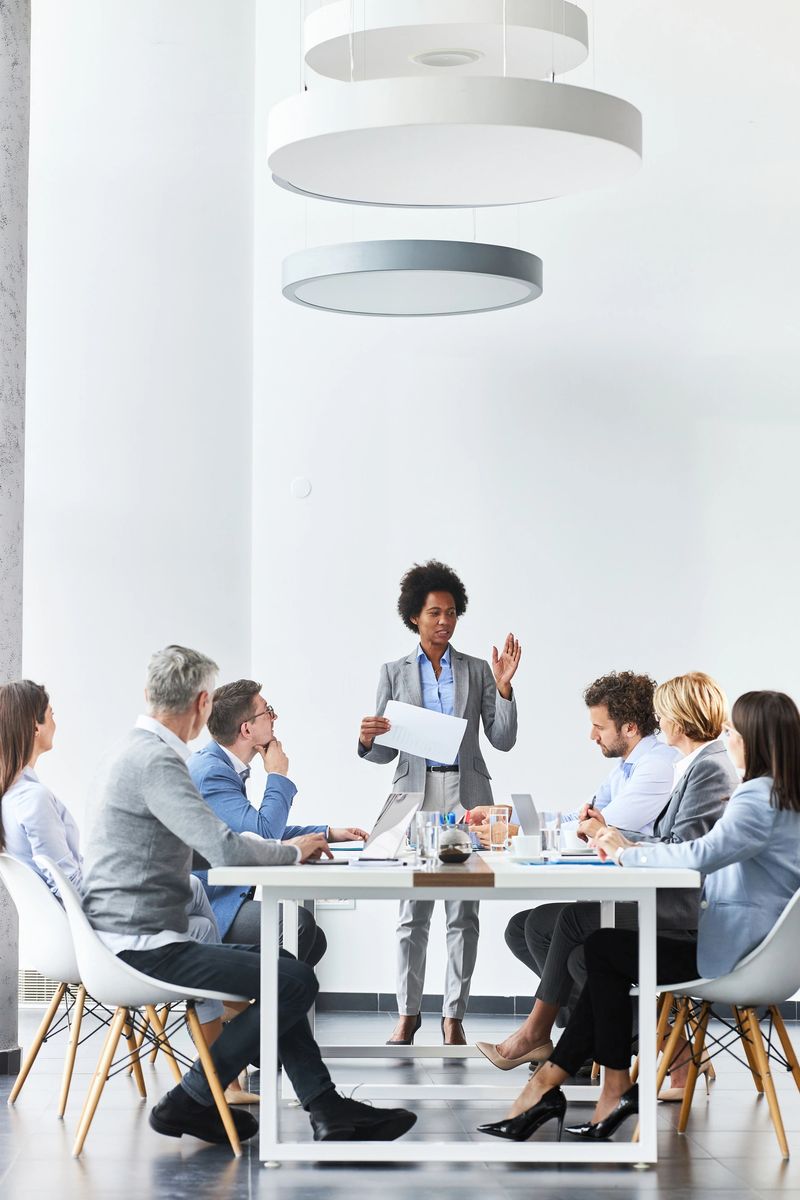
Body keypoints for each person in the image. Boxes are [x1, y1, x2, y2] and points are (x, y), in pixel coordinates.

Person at [81, 645, 415, 1145]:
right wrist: (292, 851)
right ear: (201, 703)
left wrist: (303, 840)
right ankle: (191, 1098)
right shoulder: (159, 763)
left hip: (131, 935)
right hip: (141, 945)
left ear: (149, 693)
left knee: (284, 969)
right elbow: (227, 849)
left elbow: (232, 836)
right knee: (293, 978)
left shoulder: (133, 750)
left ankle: (326, 1109)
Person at [478, 690, 800, 1143]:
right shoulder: (787, 798)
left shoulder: (755, 798)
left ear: (753, 739)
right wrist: (629, 848)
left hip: (733, 955)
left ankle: (578, 1087)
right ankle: (567, 1086)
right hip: (763, 952)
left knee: (602, 949)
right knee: (603, 950)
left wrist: (626, 854)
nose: (726, 738)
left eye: (732, 731)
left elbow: (700, 855)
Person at [0, 679, 257, 1101]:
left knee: (190, 888)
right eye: (50, 712)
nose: (55, 719)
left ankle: (222, 1012)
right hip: (96, 938)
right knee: (200, 921)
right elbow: (69, 884)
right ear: (33, 725)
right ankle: (220, 1062)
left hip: (74, 933)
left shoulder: (13, 795)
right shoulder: (32, 800)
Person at [478, 671, 734, 1075]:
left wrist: (614, 839)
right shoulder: (687, 764)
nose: (658, 723)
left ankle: (541, 1036)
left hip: (688, 908)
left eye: (663, 715)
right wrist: (610, 834)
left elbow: (684, 851)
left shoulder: (694, 767)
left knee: (572, 923)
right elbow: (639, 831)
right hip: (666, 893)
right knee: (555, 941)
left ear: (679, 721)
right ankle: (603, 1043)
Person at [358, 560, 521, 1046]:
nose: (444, 621)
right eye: (434, 613)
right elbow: (385, 750)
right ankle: (408, 1013)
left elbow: (503, 739)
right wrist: (368, 739)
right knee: (412, 910)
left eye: (451, 612)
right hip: (416, 795)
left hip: (466, 797)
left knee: (463, 912)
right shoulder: (393, 672)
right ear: (415, 617)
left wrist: (506, 687)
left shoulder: (477, 671)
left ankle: (454, 1015)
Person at [189, 678, 368, 963]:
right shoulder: (212, 772)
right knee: (300, 927)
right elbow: (263, 832)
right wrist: (277, 774)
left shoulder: (220, 765)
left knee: (312, 938)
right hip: (208, 905)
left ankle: (260, 1005)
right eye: (267, 711)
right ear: (247, 729)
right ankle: (242, 1005)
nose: (274, 718)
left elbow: (251, 832)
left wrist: (328, 833)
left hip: (221, 895)